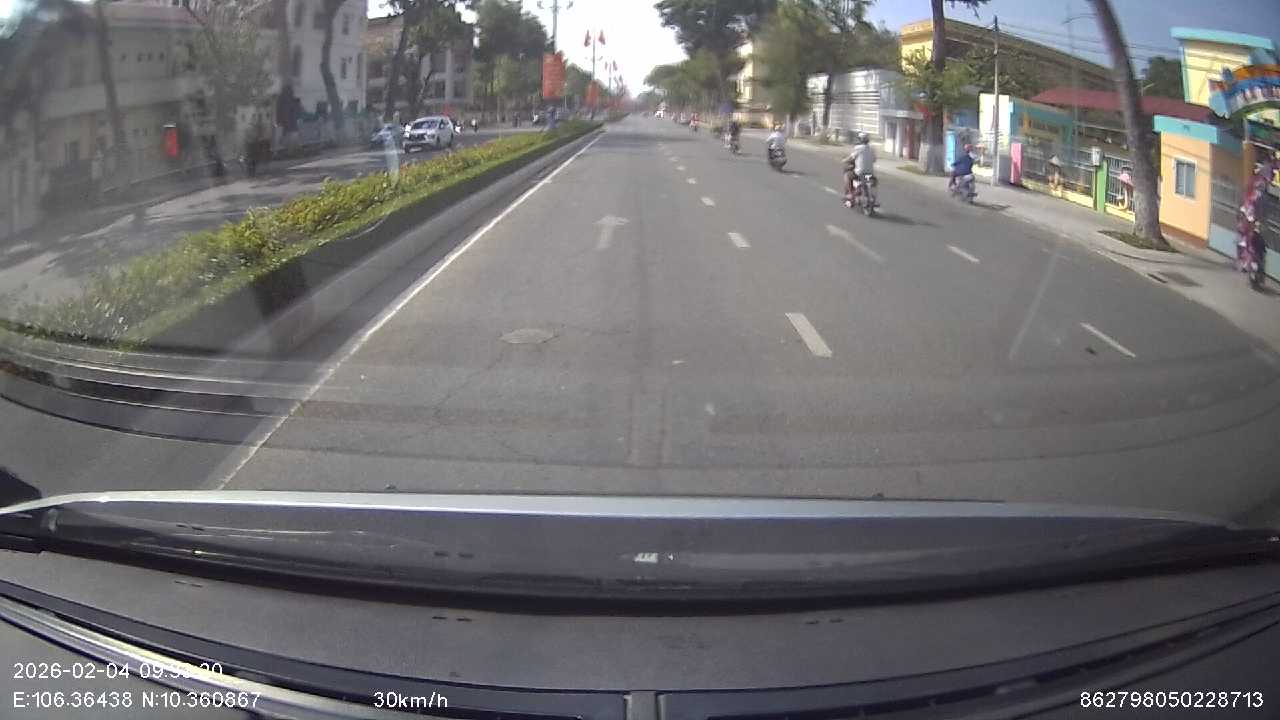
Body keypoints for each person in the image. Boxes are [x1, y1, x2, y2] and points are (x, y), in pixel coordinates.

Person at [843, 131, 877, 206]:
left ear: (860, 139)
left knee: (847, 175)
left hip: (860, 172)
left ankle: (850, 194)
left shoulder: (858, 148)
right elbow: (874, 160)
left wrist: (844, 160)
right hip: (870, 174)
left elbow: (851, 157)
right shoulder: (872, 148)